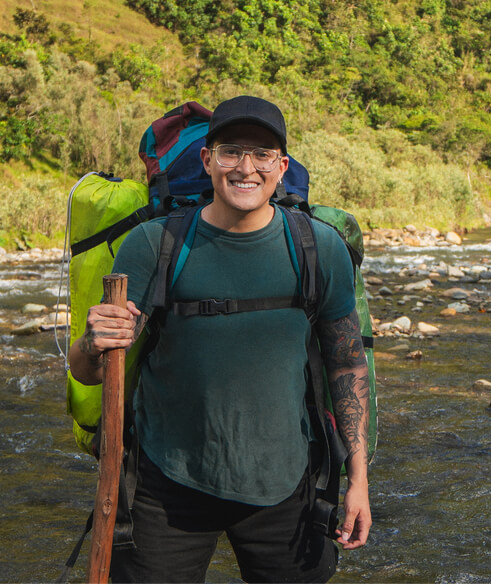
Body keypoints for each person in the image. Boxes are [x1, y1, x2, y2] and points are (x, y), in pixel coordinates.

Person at [69, 95, 371, 583]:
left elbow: (347, 364)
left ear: (281, 166)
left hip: (286, 484)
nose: (245, 167)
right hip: (168, 483)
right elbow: (91, 370)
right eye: (231, 151)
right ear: (208, 160)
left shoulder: (320, 249)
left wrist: (357, 480)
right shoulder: (155, 245)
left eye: (262, 154)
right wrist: (92, 341)